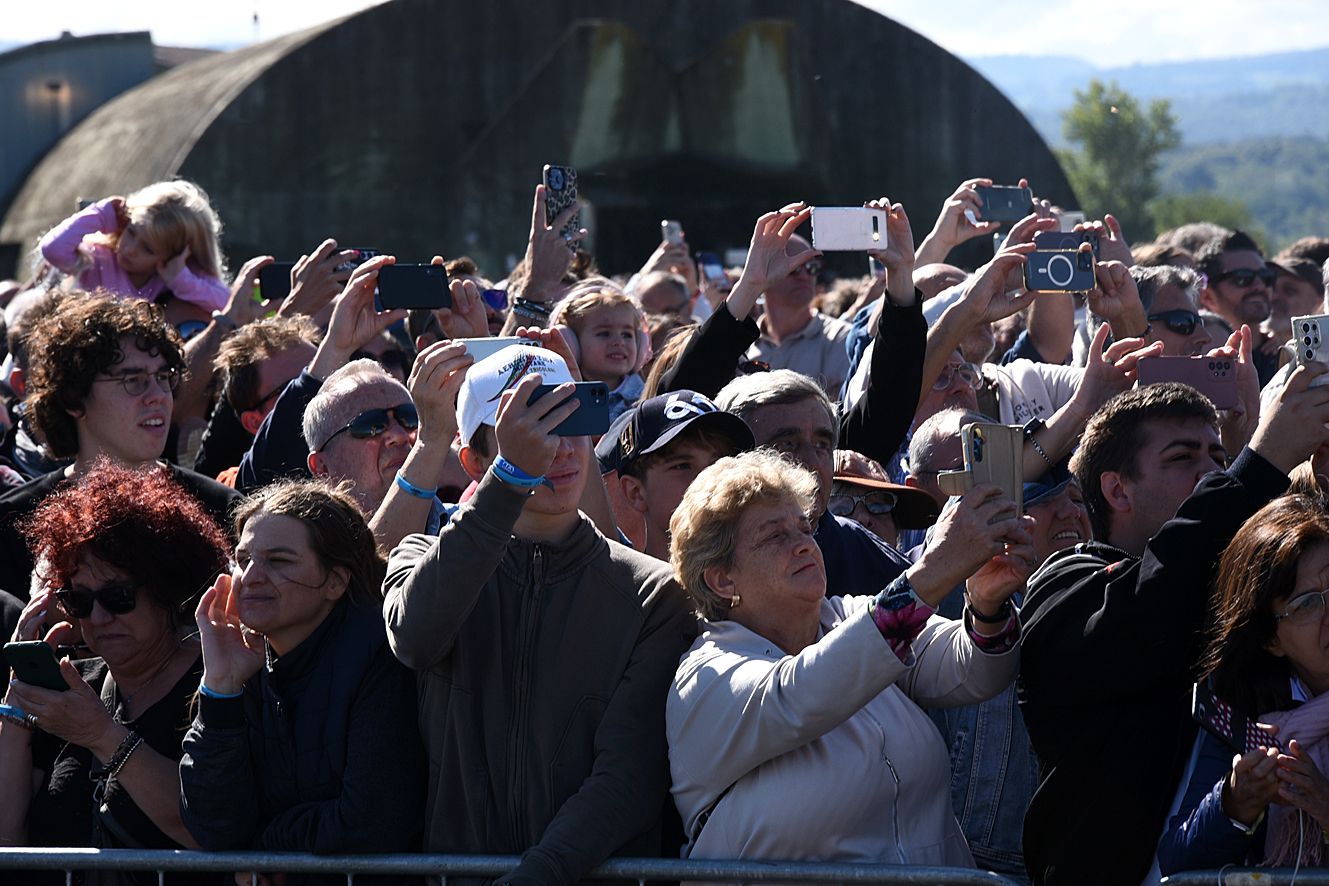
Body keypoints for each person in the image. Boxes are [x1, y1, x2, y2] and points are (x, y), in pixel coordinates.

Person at [381, 345, 696, 883]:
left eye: (572, 421)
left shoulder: (655, 592)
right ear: (475, 462)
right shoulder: (416, 557)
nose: (560, 449)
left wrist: (539, 875)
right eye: (525, 430)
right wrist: (511, 480)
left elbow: (628, 773)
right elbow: (416, 637)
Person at [1018, 365, 1329, 886]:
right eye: (1183, 458)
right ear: (1118, 490)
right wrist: (1258, 466)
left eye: (1220, 459)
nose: (1212, 476)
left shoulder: (1225, 583)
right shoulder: (1067, 585)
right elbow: (1148, 610)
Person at [666, 450, 1030, 866]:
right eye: (775, 536)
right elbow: (800, 694)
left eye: (805, 529)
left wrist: (985, 605)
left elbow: (976, 672)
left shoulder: (850, 616)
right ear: (721, 578)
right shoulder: (706, 673)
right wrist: (934, 571)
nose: (803, 545)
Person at [179, 481, 425, 883]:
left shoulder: (379, 654)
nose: (251, 576)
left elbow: (370, 820)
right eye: (242, 559)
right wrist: (220, 688)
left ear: (335, 582)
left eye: (278, 561)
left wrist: (265, 847)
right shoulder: (247, 665)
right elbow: (214, 827)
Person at [0, 463, 230, 885]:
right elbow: (7, 837)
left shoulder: (219, 682)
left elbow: (205, 826)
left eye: (118, 597)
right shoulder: (72, 684)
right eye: (80, 600)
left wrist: (102, 736)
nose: (99, 617)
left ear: (168, 588)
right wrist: (17, 702)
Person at [0, 295, 239, 599]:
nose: (159, 396)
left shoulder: (221, 510)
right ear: (74, 398)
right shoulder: (13, 525)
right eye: (134, 380)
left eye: (164, 377)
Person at [1157, 494, 1329, 874]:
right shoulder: (1248, 710)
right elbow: (1178, 859)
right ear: (1271, 639)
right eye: (1307, 605)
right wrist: (1235, 802)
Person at [598, 389, 755, 561]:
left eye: (718, 462)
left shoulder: (765, 578)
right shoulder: (621, 585)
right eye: (683, 466)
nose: (708, 477)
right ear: (635, 492)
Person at [38, 181, 230, 311]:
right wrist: (101, 215)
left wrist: (181, 280)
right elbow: (52, 249)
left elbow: (228, 304)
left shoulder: (174, 277)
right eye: (131, 232)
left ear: (175, 255)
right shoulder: (96, 258)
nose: (130, 249)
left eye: (148, 249)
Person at [550, 283, 650, 420]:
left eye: (627, 334)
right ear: (571, 343)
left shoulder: (647, 398)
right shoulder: (559, 398)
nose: (619, 342)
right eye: (605, 333)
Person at [1195, 229, 1279, 384]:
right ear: (1207, 296)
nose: (1259, 286)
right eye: (1243, 278)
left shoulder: (1285, 360)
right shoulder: (1191, 361)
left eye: (1266, 277)